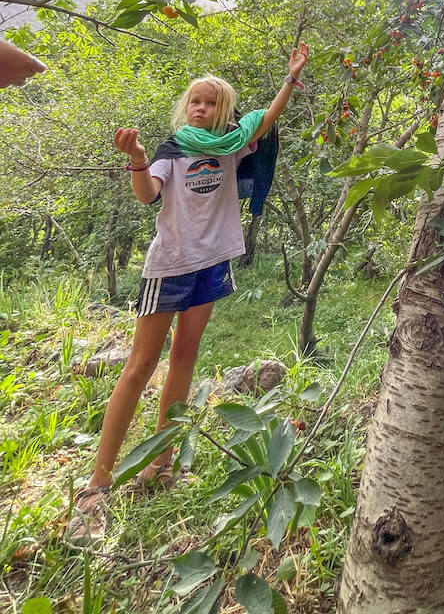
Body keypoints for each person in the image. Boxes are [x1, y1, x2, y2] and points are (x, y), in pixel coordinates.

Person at [64, 46, 309, 547]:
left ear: (223, 112)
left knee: (184, 358)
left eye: (209, 104)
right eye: (194, 102)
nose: (200, 109)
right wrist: (135, 158)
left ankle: (161, 462)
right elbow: (148, 195)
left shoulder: (233, 146)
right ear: (186, 108)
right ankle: (98, 484)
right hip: (170, 266)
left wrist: (290, 79)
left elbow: (263, 122)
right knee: (139, 365)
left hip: (211, 264)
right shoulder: (173, 148)